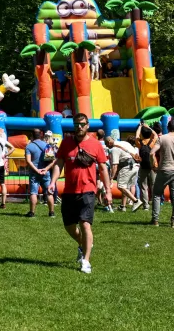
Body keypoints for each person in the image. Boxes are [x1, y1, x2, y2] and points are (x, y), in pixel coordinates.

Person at [57, 112, 110, 274]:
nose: (79, 127)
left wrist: (107, 191)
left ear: (87, 125)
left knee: (85, 224)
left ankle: (86, 261)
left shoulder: (95, 145)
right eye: (76, 124)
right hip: (69, 191)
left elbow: (103, 169)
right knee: (69, 226)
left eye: (82, 124)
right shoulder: (66, 143)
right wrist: (53, 181)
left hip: (87, 191)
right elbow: (59, 163)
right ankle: (84, 244)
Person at [25, 129, 56, 218]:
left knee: (33, 193)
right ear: (41, 135)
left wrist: (36, 170)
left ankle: (32, 212)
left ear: (32, 136)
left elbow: (28, 161)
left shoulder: (29, 147)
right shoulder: (47, 145)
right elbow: (52, 160)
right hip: (45, 172)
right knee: (49, 192)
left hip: (34, 173)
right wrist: (45, 169)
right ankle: (51, 212)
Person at [105, 134, 140, 211]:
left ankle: (136, 201)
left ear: (109, 142)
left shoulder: (114, 149)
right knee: (127, 186)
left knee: (121, 186)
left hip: (127, 166)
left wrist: (111, 178)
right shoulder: (124, 143)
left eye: (106, 144)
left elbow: (114, 166)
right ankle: (123, 206)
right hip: (136, 165)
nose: (107, 147)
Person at [135, 123, 157, 209]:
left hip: (143, 166)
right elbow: (155, 135)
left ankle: (146, 205)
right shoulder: (152, 142)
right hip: (152, 165)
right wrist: (149, 127)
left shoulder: (139, 143)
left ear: (142, 134)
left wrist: (140, 127)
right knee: (153, 185)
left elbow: (137, 135)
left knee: (144, 186)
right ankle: (155, 202)